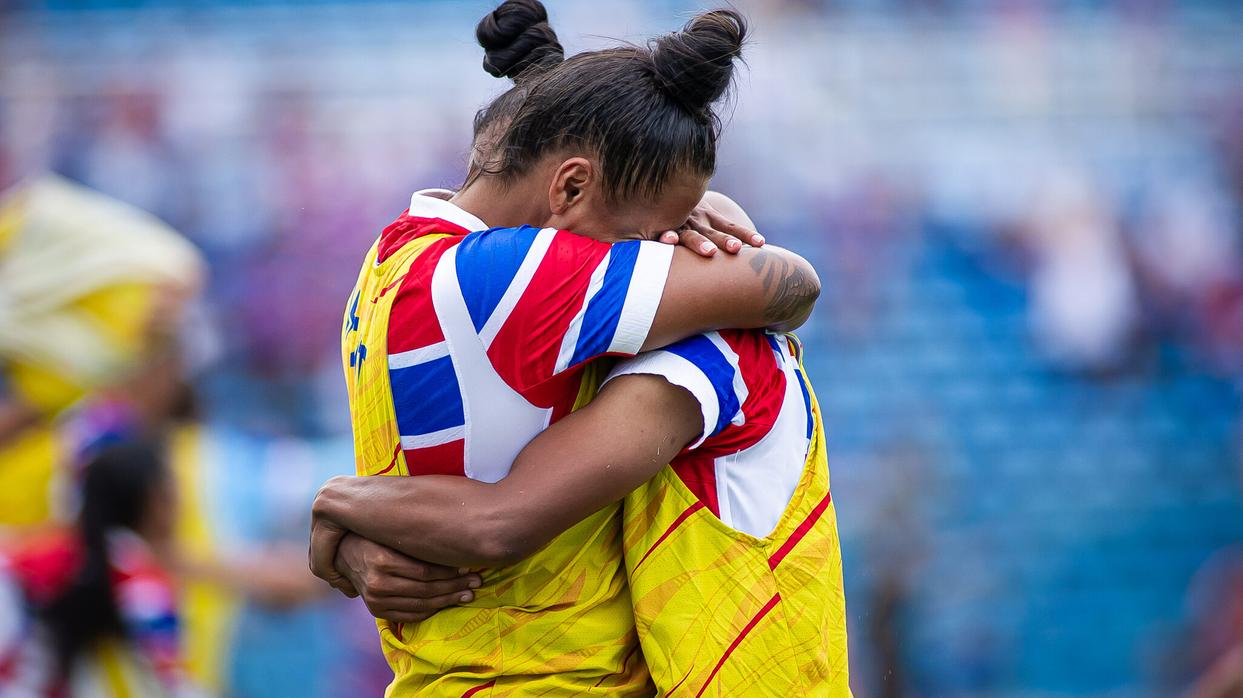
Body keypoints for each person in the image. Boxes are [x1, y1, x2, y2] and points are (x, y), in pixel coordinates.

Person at [317, 3, 823, 693]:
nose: (668, 248)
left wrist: (341, 523)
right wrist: (726, 224)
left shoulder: (389, 262)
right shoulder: (510, 277)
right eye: (654, 233)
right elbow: (790, 284)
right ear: (571, 185)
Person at [0, 440, 191, 696]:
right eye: (171, 489)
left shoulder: (51, 558)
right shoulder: (141, 583)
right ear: (153, 500)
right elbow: (172, 685)